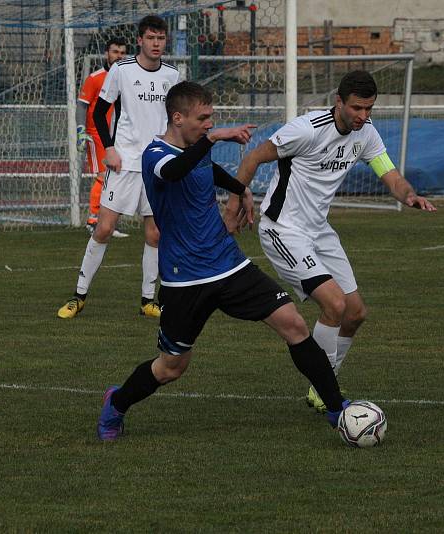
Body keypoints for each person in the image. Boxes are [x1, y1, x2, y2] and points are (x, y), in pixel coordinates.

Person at [97, 81, 348, 441]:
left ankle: (337, 409)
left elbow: (206, 170)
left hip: (229, 265)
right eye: (203, 118)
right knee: (171, 367)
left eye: (211, 118)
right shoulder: (155, 154)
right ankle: (116, 403)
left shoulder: (196, 148)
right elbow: (175, 172)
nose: (209, 124)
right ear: (178, 117)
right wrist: (211, 140)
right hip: (185, 280)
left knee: (293, 324)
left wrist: (239, 188)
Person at [223, 70, 436, 413]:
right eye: (357, 108)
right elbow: (251, 158)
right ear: (339, 101)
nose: (363, 116)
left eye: (369, 109)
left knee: (355, 313)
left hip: (320, 231)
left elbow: (391, 175)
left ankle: (321, 384)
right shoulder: (306, 129)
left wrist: (409, 196)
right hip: (284, 230)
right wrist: (234, 204)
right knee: (334, 305)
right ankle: (328, 392)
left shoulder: (365, 133)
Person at [57, 15, 180, 319]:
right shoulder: (122, 71)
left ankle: (147, 301)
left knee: (154, 234)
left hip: (157, 164)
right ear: (140, 40)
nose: (156, 43)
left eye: (161, 38)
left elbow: (176, 119)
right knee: (105, 228)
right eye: (151, 38)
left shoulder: (173, 75)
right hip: (124, 162)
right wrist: (109, 150)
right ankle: (78, 296)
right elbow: (99, 113)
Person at [76, 37, 129, 238]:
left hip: (119, 135)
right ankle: (93, 220)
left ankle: (108, 221)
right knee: (103, 176)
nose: (119, 56)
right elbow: (82, 104)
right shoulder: (95, 77)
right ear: (107, 53)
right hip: (97, 134)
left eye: (123, 53)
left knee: (116, 177)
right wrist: (81, 131)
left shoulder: (127, 78)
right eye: (115, 52)